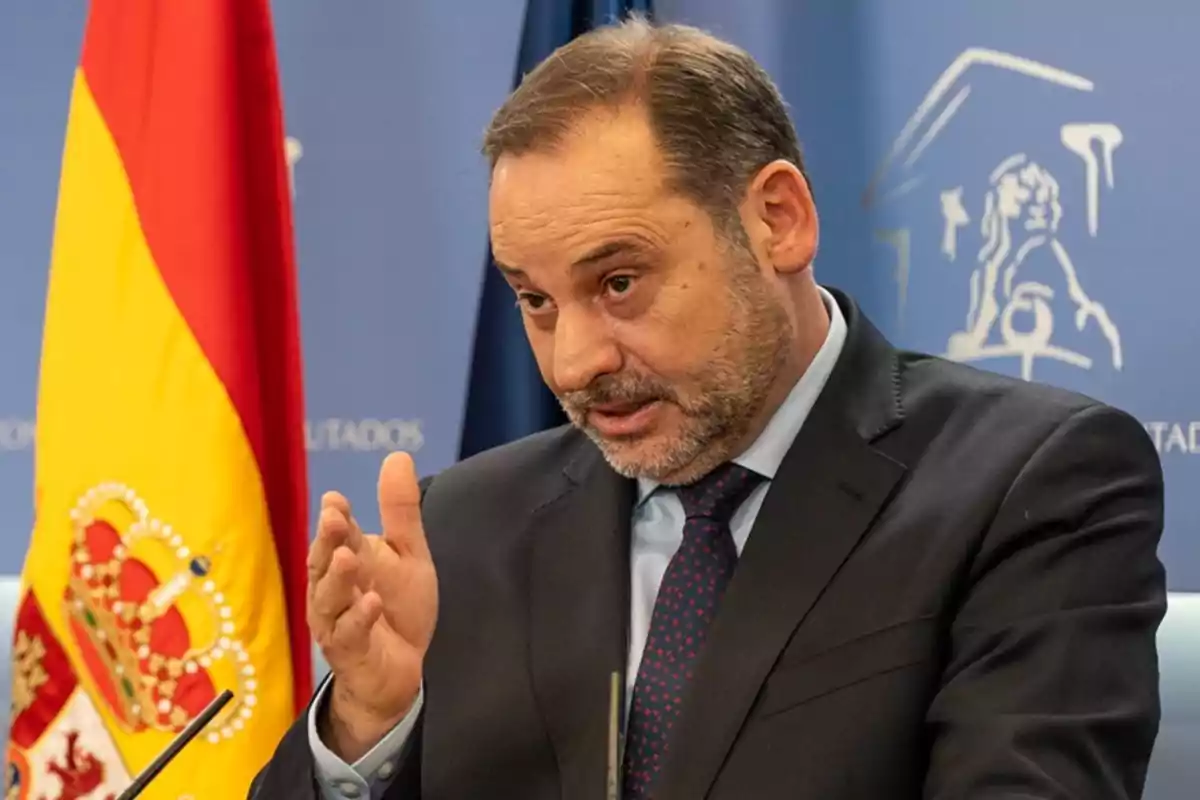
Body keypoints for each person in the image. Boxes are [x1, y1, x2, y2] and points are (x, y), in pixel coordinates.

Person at [251, 16, 1166, 800]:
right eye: (535, 301)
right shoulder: (469, 525)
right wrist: (370, 722)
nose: (574, 362)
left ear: (777, 221)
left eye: (618, 282)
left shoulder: (1031, 486)